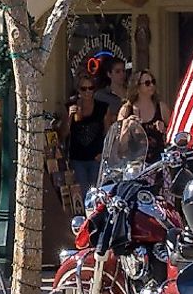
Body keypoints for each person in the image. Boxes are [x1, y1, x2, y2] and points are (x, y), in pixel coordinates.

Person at [103, 72, 165, 173]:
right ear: (137, 86)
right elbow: (120, 146)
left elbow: (174, 135)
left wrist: (164, 130)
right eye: (147, 83)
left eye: (153, 82)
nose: (152, 86)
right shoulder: (126, 110)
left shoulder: (161, 107)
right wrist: (128, 128)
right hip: (134, 168)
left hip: (158, 166)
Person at [63, 75, 109, 210]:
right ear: (78, 90)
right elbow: (64, 133)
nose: (88, 92)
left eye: (91, 88)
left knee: (96, 192)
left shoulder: (102, 108)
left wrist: (103, 152)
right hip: (78, 158)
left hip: (96, 157)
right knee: (82, 191)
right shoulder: (71, 107)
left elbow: (107, 133)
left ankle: (95, 220)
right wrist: (70, 117)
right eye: (84, 89)